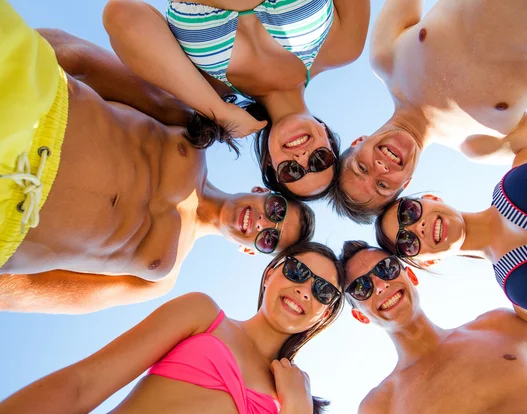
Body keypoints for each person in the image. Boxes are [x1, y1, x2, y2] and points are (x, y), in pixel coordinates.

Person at [0, 3, 314, 314]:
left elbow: (37, 293)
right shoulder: (191, 127)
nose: (262, 223)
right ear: (263, 192)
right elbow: (84, 62)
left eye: (270, 239)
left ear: (250, 250)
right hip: (29, 110)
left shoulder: (159, 278)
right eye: (276, 210)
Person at [332, 0, 527, 223]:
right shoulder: (483, 145)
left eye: (361, 167)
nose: (379, 168)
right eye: (383, 185)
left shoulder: (385, 58)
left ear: (358, 142)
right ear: (406, 182)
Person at [0, 242, 344, 414]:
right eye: (298, 272)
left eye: (323, 291)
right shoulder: (202, 314)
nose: (304, 289)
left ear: (324, 315)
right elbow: (84, 383)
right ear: (270, 274)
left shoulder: (293, 397)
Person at [103, 0, 370, 200]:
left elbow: (121, 16)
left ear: (269, 162)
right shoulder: (344, 47)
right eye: (319, 160)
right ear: (327, 136)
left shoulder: (204, 87)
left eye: (291, 171)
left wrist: (217, 110)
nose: (302, 158)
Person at [340, 240, 527, 414]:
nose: (381, 285)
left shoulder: (499, 324)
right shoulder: (380, 405)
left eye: (386, 268)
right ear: (361, 316)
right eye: (361, 287)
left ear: (412, 276)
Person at [375, 138, 527, 334]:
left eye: (410, 212)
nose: (418, 227)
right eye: (407, 242)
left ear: (431, 198)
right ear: (428, 261)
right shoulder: (526, 307)